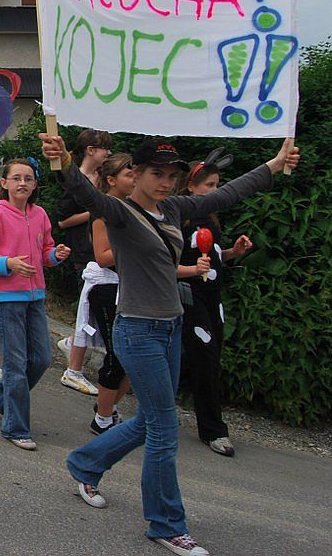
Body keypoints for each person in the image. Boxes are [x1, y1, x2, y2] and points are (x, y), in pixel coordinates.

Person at [40, 132, 299, 556]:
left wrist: (273, 164)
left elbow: (228, 194)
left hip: (170, 328)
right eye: (156, 173)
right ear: (137, 173)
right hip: (137, 330)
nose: (165, 181)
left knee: (151, 420)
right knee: (164, 427)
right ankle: (166, 524)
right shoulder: (120, 211)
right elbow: (84, 191)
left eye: (171, 174)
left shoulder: (175, 208)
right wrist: (64, 160)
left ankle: (85, 463)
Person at [0, 158, 70, 450]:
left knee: (41, 358)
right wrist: (7, 264)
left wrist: (55, 255)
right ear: (4, 183)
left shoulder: (40, 215)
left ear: (35, 184)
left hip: (35, 296)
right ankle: (15, 427)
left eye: (28, 178)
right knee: (15, 363)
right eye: (16, 178)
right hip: (6, 298)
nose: (22, 183)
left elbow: (45, 251)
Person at [177, 151, 253, 458]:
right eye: (209, 185)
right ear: (191, 186)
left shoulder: (211, 218)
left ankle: (154, 404)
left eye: (217, 185)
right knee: (205, 359)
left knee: (206, 358)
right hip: (189, 297)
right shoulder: (180, 219)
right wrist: (192, 270)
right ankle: (213, 430)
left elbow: (213, 259)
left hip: (212, 298)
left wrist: (233, 252)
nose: (214, 190)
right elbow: (166, 262)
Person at [57, 129, 112, 395]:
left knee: (94, 307)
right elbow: (62, 221)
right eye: (104, 148)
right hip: (82, 250)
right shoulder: (75, 182)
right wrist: (96, 209)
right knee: (86, 305)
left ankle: (72, 343)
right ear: (90, 150)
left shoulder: (104, 178)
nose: (108, 153)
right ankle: (74, 364)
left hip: (100, 249)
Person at [87, 154, 133, 435]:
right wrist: (136, 244)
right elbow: (103, 257)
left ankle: (107, 407)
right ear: (112, 180)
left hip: (132, 287)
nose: (135, 178)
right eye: (129, 173)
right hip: (107, 288)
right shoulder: (103, 212)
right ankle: (102, 419)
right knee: (117, 354)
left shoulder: (136, 209)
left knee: (131, 356)